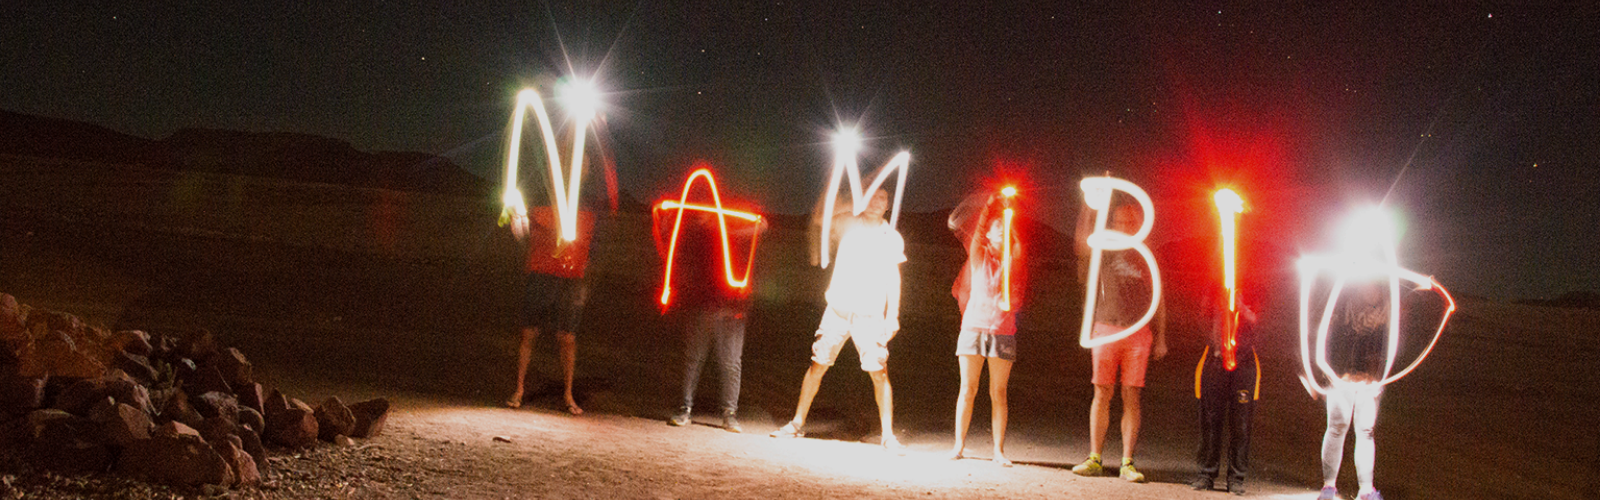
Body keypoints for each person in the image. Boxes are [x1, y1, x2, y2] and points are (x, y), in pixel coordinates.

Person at [770, 189, 907, 453]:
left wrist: (893, 315)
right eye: (871, 197)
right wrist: (845, 198)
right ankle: (797, 423)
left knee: (879, 373)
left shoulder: (891, 238)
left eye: (882, 198)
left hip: (870, 314)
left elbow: (894, 278)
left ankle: (888, 435)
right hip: (839, 308)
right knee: (818, 365)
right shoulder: (848, 223)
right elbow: (820, 216)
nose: (876, 203)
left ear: (888, 204)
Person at [1071, 201, 1167, 482]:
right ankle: (1095, 457)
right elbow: (1081, 244)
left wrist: (1161, 337)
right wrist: (1089, 206)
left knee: (1131, 396)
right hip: (1106, 328)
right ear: (1112, 224)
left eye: (1130, 222)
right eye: (1120, 222)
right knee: (1102, 393)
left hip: (1137, 334)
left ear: (1139, 225)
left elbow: (1160, 299)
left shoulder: (1147, 255)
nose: (1125, 227)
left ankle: (1127, 462)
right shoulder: (1104, 249)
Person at [663, 210, 764, 433]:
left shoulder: (732, 228)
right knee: (693, 359)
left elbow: (761, 226)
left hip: (731, 307)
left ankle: (729, 414)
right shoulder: (698, 233)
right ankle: (685, 409)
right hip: (703, 305)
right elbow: (676, 249)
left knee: (730, 363)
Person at [946, 209, 1025, 466]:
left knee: (998, 392)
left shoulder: (1012, 261)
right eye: (996, 226)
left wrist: (1010, 215)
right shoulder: (979, 258)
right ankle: (958, 445)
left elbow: (1018, 245)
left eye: (1005, 226)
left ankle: (998, 451)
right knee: (967, 389)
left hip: (1002, 332)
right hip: (973, 328)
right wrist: (992, 203)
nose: (1001, 228)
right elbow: (979, 231)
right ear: (988, 235)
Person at [505, 207, 596, 415]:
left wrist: (585, 284)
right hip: (541, 272)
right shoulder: (542, 203)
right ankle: (518, 389)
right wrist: (518, 222)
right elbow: (524, 234)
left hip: (571, 277)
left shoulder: (585, 204)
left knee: (567, 337)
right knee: (529, 333)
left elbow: (592, 247)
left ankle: (568, 394)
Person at [1316, 281, 1389, 500]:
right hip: (1341, 375)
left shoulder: (1387, 315)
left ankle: (1366, 490)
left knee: (1365, 431)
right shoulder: (1343, 307)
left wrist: (1379, 378)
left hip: (1369, 380)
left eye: (1375, 286)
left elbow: (1388, 348)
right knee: (1338, 426)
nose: (1371, 290)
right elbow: (1327, 337)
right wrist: (1327, 371)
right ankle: (1328, 487)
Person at [1192, 286, 1261, 495]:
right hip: (1215, 360)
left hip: (1245, 363)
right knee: (1211, 419)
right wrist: (1215, 343)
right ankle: (1206, 473)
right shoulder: (1213, 287)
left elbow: (1259, 322)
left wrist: (1240, 307)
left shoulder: (1255, 287)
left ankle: (1236, 478)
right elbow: (1202, 317)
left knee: (1241, 423)